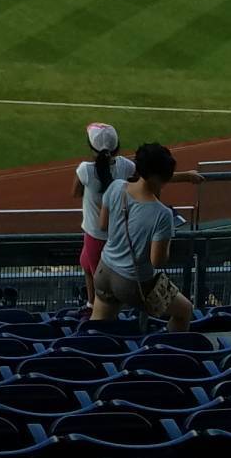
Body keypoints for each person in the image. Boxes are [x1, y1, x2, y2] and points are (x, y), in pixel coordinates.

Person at [90, 141, 193, 331]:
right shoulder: (162, 214)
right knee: (185, 310)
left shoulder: (116, 187)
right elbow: (157, 261)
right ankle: (168, 349)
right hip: (132, 282)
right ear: (162, 176)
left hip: (104, 270)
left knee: (98, 328)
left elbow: (103, 225)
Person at [75, 121, 138, 307]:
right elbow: (141, 183)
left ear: (91, 147)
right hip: (116, 233)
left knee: (101, 285)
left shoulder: (86, 170)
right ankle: (91, 305)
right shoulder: (126, 166)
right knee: (86, 265)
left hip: (95, 235)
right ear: (117, 147)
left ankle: (98, 316)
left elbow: (75, 193)